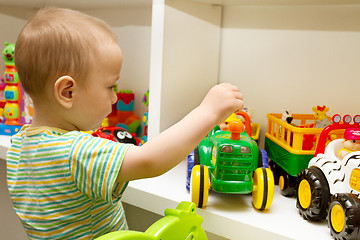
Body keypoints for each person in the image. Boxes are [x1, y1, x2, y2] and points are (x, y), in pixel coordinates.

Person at [6, 6, 244, 240]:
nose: (115, 97)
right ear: (67, 92)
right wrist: (207, 111)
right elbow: (149, 160)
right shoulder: (74, 152)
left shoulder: (19, 145)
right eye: (110, 86)